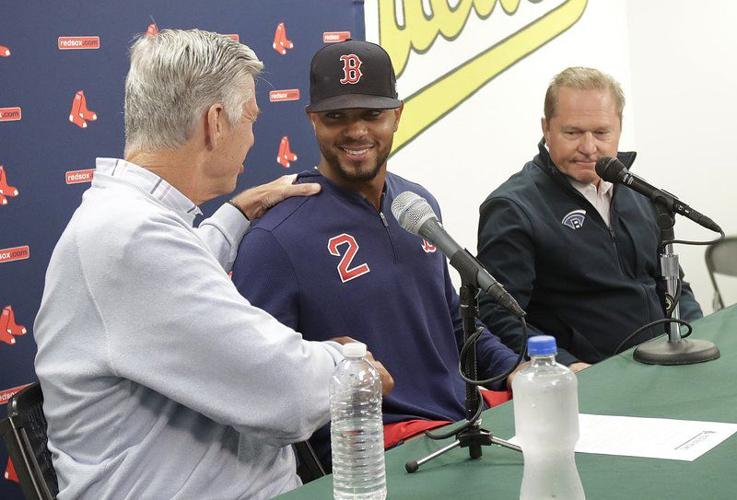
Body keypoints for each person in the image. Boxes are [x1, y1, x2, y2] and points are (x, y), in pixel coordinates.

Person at [33, 29, 392, 500]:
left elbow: (173, 285)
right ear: (215, 122)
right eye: (250, 120)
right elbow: (280, 390)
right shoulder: (130, 237)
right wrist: (348, 364)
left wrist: (235, 215)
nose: (252, 139)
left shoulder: (127, 221)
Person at [231, 40, 520, 467]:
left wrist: (517, 369)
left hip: (460, 423)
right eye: (336, 117)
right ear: (313, 121)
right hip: (378, 451)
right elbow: (256, 381)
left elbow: (454, 330)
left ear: (397, 116)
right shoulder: (276, 237)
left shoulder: (417, 206)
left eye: (372, 115)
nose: (356, 131)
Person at [477, 66, 702, 371]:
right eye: (572, 132)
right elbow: (497, 315)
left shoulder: (642, 195)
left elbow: (674, 286)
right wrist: (564, 366)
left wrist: (697, 332)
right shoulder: (512, 207)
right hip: (591, 380)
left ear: (619, 129)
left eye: (601, 132)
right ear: (546, 129)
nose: (588, 147)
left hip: (667, 367)